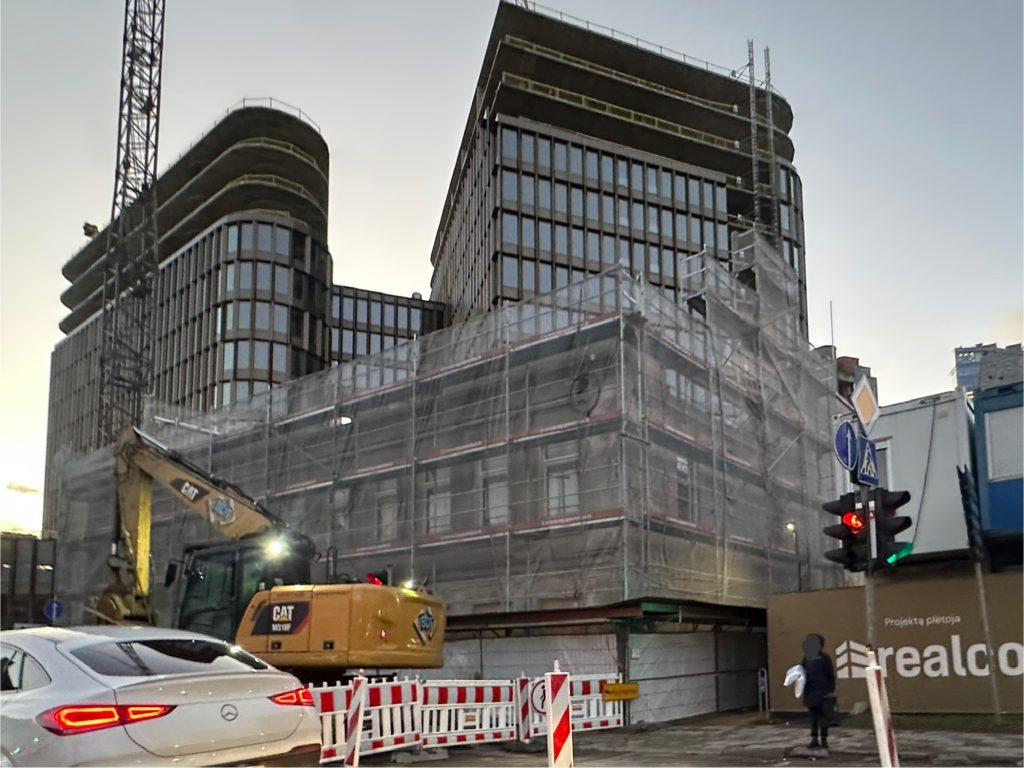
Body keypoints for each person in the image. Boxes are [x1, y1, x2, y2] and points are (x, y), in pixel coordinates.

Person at [800, 633, 835, 749]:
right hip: (810, 691)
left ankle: (824, 739)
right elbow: (802, 672)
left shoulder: (824, 658)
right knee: (813, 717)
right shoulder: (807, 658)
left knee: (823, 717)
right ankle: (814, 739)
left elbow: (830, 674)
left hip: (822, 692)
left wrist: (830, 689)